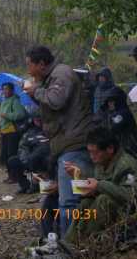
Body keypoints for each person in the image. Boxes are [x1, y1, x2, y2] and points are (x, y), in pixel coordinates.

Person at [24, 45, 95, 236]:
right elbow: (51, 108)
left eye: (29, 65)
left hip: (74, 144)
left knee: (69, 201)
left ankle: (70, 245)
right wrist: (36, 93)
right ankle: (69, 241)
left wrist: (36, 90)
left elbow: (56, 100)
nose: (28, 70)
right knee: (65, 198)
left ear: (41, 64)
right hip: (64, 145)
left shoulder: (61, 73)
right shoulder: (50, 78)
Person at [64, 127, 137, 246]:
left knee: (103, 200)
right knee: (85, 203)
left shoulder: (126, 165)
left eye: (95, 152)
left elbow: (130, 195)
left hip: (128, 214)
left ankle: (83, 242)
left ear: (110, 149)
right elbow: (96, 186)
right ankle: (68, 242)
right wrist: (77, 176)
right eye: (90, 152)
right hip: (110, 212)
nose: (92, 156)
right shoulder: (101, 163)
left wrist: (99, 185)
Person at [7, 114, 50, 193]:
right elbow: (22, 149)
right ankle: (25, 186)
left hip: (48, 160)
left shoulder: (51, 130)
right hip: (32, 160)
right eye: (36, 119)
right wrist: (28, 160)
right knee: (13, 161)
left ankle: (41, 184)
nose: (39, 121)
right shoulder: (28, 133)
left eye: (40, 119)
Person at [96, 88, 137, 157]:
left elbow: (110, 129)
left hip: (133, 146)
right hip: (129, 148)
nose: (109, 104)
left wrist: (105, 114)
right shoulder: (120, 112)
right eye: (108, 102)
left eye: (111, 101)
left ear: (117, 100)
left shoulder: (123, 113)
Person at [0, 82, 27, 184]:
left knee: (12, 154)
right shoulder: (4, 101)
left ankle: (15, 176)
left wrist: (6, 115)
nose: (5, 91)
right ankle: (10, 175)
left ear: (12, 90)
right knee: (5, 155)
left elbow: (20, 114)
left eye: (7, 89)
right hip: (4, 131)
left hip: (12, 132)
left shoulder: (15, 100)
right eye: (4, 89)